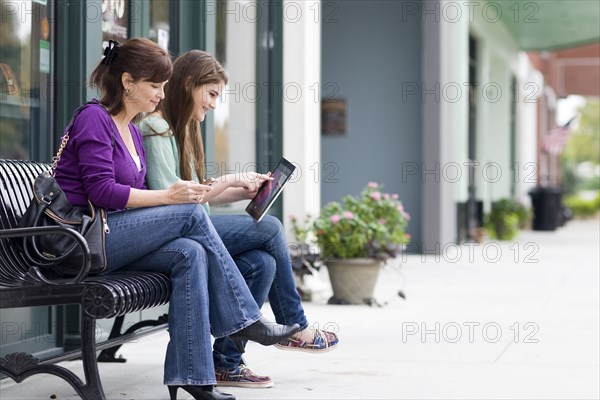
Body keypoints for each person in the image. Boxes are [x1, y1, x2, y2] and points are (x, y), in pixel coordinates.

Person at [54, 38, 300, 400]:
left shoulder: (134, 131)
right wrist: (170, 198)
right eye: (155, 85)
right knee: (189, 215)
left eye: (164, 85)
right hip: (83, 243)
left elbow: (133, 200)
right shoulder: (94, 119)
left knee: (189, 252)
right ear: (127, 82)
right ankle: (246, 320)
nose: (161, 94)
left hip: (114, 237)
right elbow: (102, 192)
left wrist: (175, 201)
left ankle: (194, 375)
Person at [140, 50, 339, 389]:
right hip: (171, 235)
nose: (214, 105)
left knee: (262, 263)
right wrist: (232, 179)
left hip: (191, 225)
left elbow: (200, 195)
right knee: (271, 227)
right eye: (212, 94)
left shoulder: (182, 129)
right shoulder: (156, 128)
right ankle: (294, 324)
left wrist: (242, 191)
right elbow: (173, 199)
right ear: (189, 85)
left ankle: (226, 362)